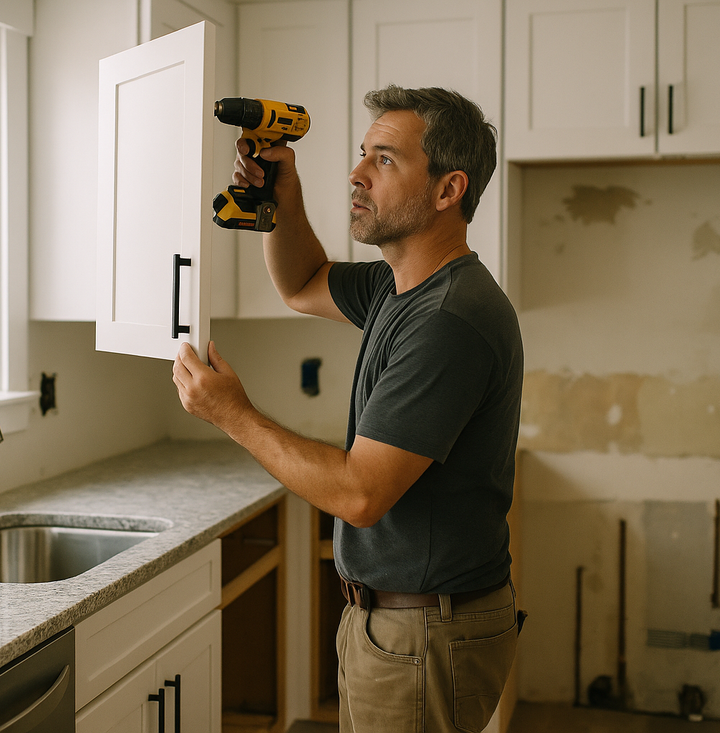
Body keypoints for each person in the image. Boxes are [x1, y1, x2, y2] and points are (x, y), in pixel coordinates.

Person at [172, 86, 524, 733]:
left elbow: (360, 494)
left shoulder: (448, 319)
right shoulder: (403, 287)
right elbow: (302, 281)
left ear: (449, 190)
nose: (357, 173)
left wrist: (234, 415)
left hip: (422, 630)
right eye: (363, 154)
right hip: (402, 621)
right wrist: (285, 187)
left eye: (384, 160)